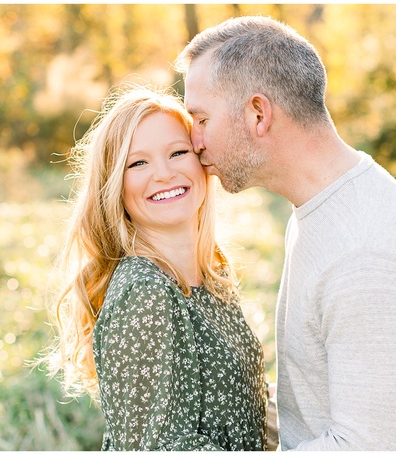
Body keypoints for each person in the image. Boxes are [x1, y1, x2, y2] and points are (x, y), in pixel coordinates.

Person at [175, 16, 396, 451]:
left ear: (258, 113)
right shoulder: (327, 206)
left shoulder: (369, 255)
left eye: (201, 118)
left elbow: (362, 447)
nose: (194, 141)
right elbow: (314, 408)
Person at [41, 87, 268, 450]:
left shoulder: (212, 274)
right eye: (138, 163)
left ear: (202, 160)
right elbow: (163, 447)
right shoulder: (145, 293)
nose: (163, 174)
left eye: (178, 153)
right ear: (115, 184)